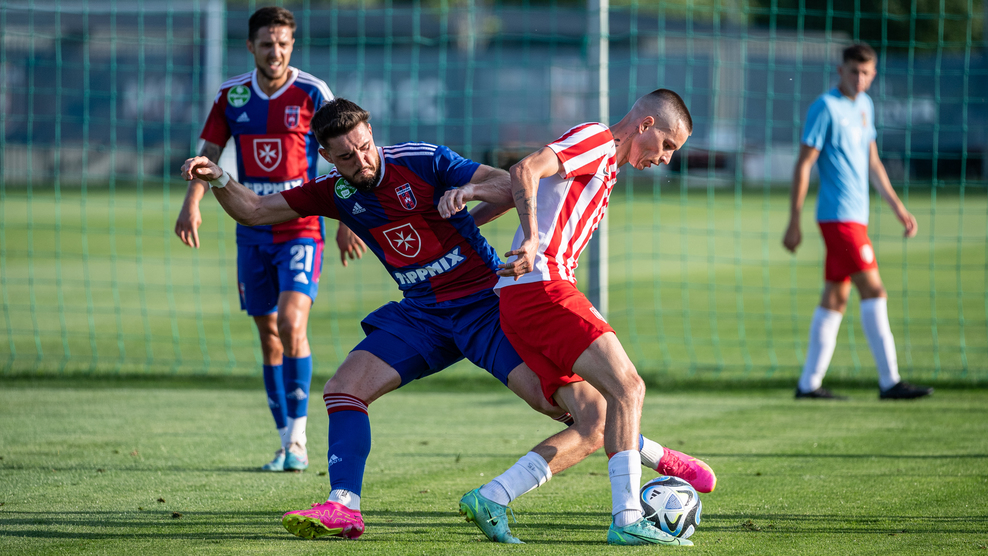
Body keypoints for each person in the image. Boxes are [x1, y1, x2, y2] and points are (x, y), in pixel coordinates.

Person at [180, 98, 709, 542]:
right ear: (328, 157)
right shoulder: (335, 191)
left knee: (581, 413)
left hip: (487, 306)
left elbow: (508, 183)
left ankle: (649, 451)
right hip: (422, 314)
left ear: (372, 134)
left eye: (364, 146)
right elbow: (254, 210)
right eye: (346, 156)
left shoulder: (422, 160)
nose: (361, 161)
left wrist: (469, 197)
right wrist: (219, 177)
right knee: (343, 390)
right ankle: (343, 506)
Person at [454, 89, 715, 546]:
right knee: (629, 387)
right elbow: (524, 169)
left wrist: (465, 224)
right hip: (544, 289)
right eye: (668, 145)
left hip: (525, 296)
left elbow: (520, 190)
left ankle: (492, 497)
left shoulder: (607, 163)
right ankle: (628, 519)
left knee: (595, 421)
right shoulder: (596, 139)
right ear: (646, 125)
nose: (666, 159)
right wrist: (531, 239)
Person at [173, 7, 366, 473]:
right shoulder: (232, 95)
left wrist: (349, 217)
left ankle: (299, 440)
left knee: (291, 321)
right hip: (251, 226)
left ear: (292, 45)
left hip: (300, 223)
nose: (275, 52)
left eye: (282, 43)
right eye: (266, 44)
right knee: (269, 336)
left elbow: (347, 151)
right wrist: (192, 201)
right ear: (251, 47)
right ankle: (285, 443)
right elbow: (209, 153)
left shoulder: (313, 92)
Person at [784, 43, 932, 401]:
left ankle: (808, 385)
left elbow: (873, 162)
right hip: (838, 218)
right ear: (841, 71)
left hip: (856, 218)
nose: (860, 78)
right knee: (874, 290)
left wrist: (897, 207)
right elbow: (804, 163)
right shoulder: (825, 107)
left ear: (874, 74)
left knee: (836, 297)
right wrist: (794, 220)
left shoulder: (865, 106)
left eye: (866, 73)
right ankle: (889, 382)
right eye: (854, 71)